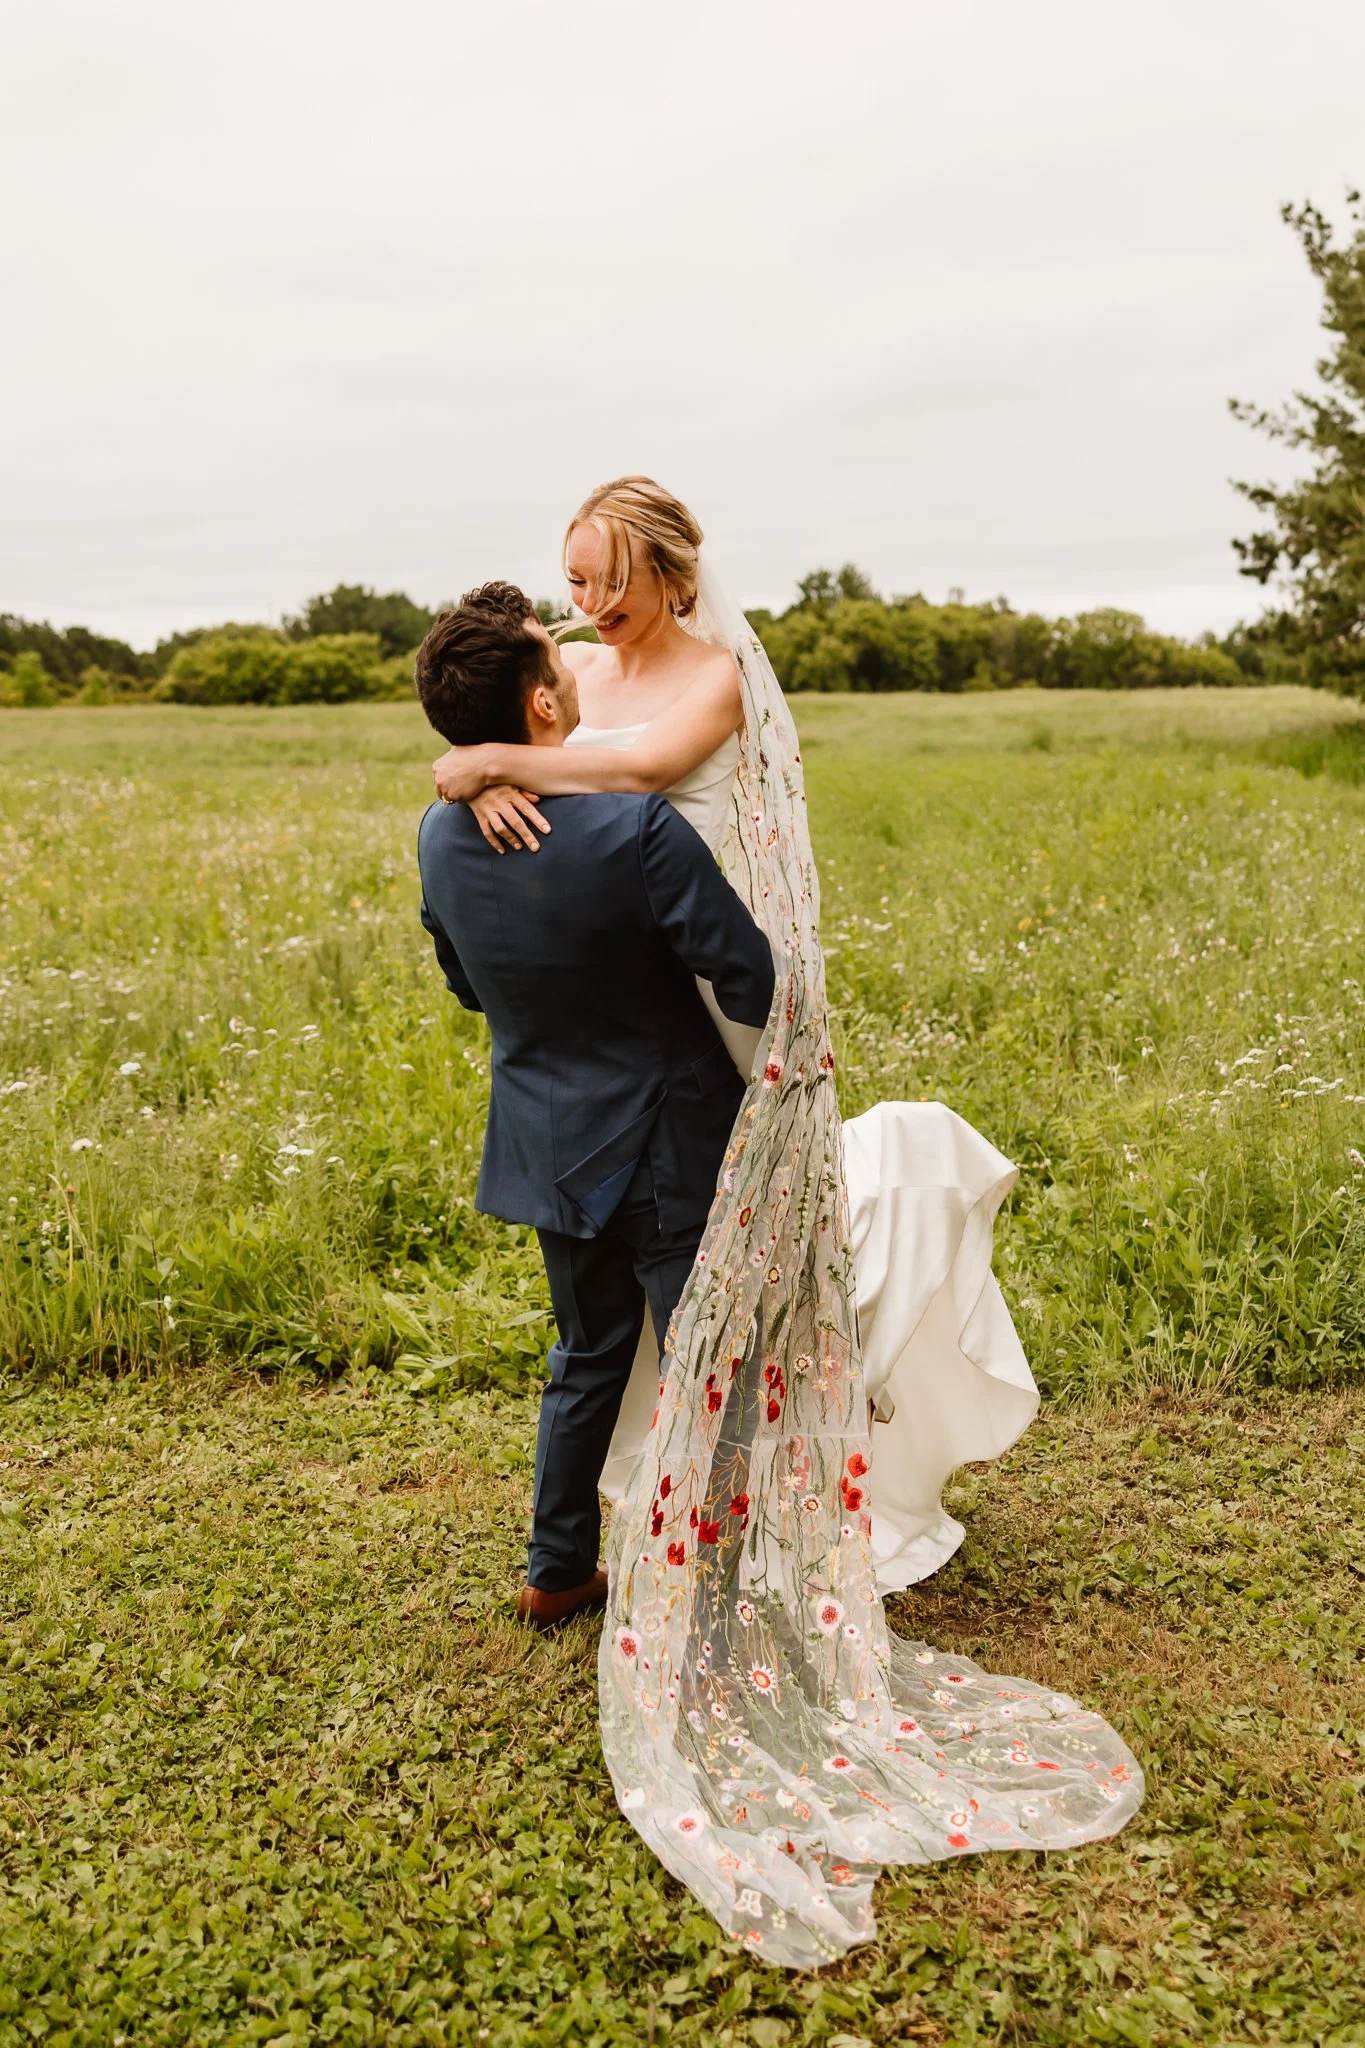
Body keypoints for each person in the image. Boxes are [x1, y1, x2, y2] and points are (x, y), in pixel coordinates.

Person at [427, 482, 1143, 1968]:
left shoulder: (675, 694)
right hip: (660, 1036)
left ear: (670, 571)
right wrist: (504, 762)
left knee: (637, 1334)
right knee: (696, 1333)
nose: (589, 607)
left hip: (613, 1070)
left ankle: (602, 1551)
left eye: (609, 580)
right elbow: (666, 873)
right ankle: (693, 1559)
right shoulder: (590, 745)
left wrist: (486, 762)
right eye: (571, 586)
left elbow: (627, 782)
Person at [414, 582, 775, 1630]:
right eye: (553, 658)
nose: (574, 663)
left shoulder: (440, 836)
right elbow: (746, 973)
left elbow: (469, 984)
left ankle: (558, 1566)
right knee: (706, 1361)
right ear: (538, 704)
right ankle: (715, 1584)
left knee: (586, 1352)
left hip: (549, 1137)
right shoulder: (636, 828)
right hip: (669, 1136)